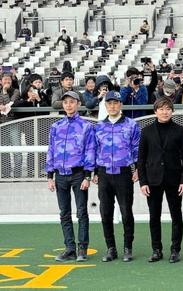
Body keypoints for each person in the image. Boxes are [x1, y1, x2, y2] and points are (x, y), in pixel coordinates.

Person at [137, 97, 183, 264]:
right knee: (154, 216)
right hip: (152, 180)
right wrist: (143, 182)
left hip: (175, 180)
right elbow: (141, 159)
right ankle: (156, 249)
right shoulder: (146, 131)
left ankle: (175, 249)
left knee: (176, 215)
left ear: (172, 110)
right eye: (161, 109)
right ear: (155, 111)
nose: (164, 112)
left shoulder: (180, 131)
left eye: (168, 109)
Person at [46, 91, 96, 262]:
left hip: (78, 174)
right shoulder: (56, 127)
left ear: (78, 104)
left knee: (81, 212)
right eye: (66, 102)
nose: (68, 105)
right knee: (64, 213)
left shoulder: (86, 127)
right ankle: (69, 248)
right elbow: (51, 151)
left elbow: (90, 151)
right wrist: (49, 176)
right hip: (60, 175)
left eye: (72, 102)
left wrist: (87, 176)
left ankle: (82, 248)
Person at [93, 90, 140, 263]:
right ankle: (110, 248)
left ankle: (128, 247)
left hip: (124, 173)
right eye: (109, 103)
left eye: (115, 103)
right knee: (106, 212)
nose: (112, 106)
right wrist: (94, 172)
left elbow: (136, 149)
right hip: (104, 173)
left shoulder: (131, 125)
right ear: (105, 105)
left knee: (126, 211)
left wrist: (137, 169)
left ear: (121, 105)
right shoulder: (98, 127)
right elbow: (94, 150)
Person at [0, 73, 21, 178]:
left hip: (13, 123)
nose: (7, 82)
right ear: (1, 81)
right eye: (5, 80)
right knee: (3, 150)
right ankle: (6, 173)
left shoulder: (16, 91)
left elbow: (9, 106)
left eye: (9, 80)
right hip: (1, 124)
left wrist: (4, 92)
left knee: (17, 150)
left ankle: (17, 174)